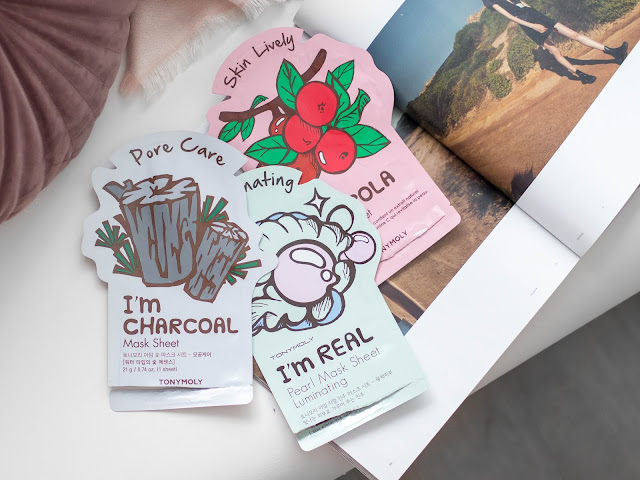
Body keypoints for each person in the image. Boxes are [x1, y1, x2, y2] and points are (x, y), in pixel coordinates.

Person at [483, 0, 628, 84]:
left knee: (574, 34)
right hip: (529, 25)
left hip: (536, 15)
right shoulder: (489, 1)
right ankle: (581, 75)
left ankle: (613, 52)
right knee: (556, 51)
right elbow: (511, 17)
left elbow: (522, 3)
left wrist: (535, 13)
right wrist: (532, 26)